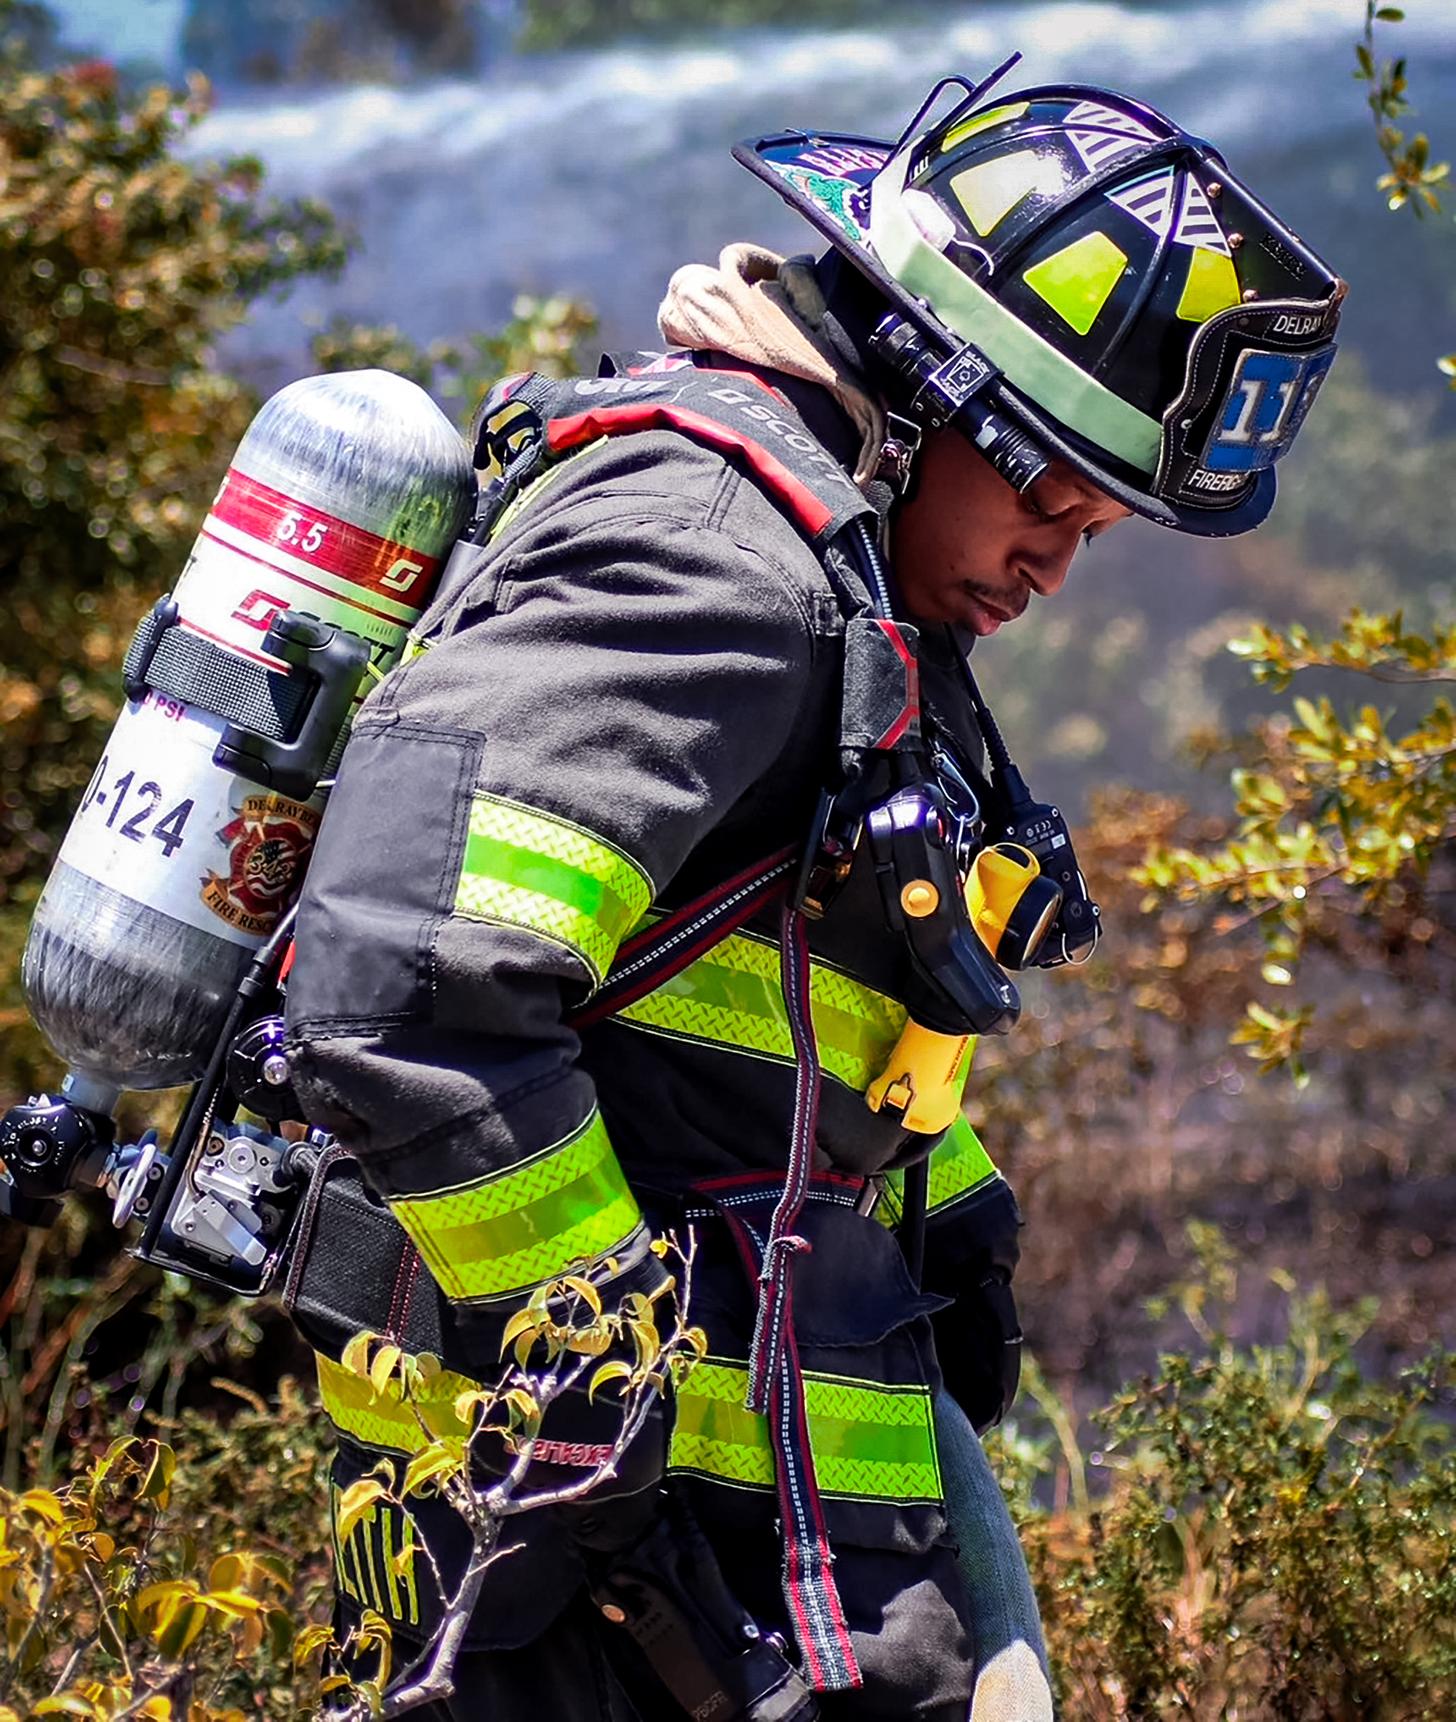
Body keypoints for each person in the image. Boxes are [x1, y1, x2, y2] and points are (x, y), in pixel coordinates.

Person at [281, 68, 1343, 1721]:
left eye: (1101, 516)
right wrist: (599, 1360)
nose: (1063, 555)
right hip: (584, 1567)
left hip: (734, 1542)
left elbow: (727, 1000)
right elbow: (411, 972)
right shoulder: (711, 552)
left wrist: (940, 1194)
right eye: (1051, 487)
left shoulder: (839, 581)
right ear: (921, 397)